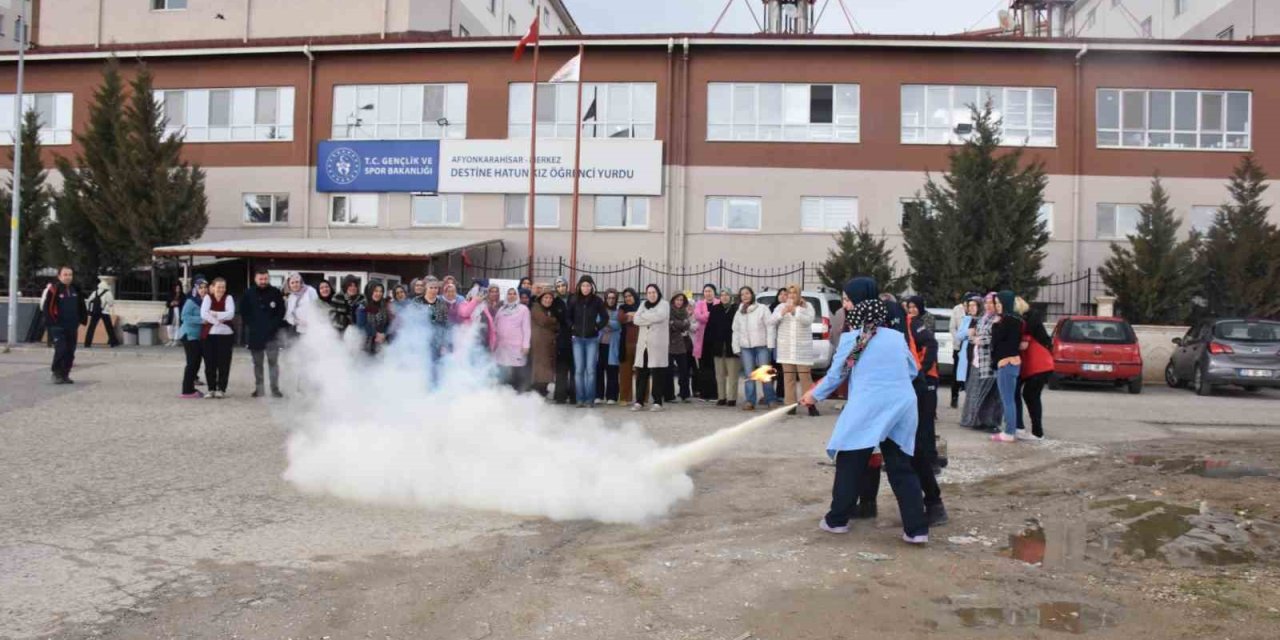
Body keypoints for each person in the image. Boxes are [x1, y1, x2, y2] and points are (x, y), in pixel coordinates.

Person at [801, 277, 929, 545]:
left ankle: (837, 520)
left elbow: (838, 375)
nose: (845, 304)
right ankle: (917, 530)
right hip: (902, 405)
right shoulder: (894, 337)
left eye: (847, 300)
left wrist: (813, 395)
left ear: (860, 305)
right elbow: (912, 369)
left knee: (849, 461)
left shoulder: (853, 340)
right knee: (901, 466)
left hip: (869, 406)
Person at [905, 295, 947, 526]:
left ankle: (930, 506)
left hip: (920, 381)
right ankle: (863, 505)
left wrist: (921, 369)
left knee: (921, 432)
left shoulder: (900, 323)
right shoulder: (870, 327)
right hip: (896, 389)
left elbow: (851, 360)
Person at [772, 284, 818, 416]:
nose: (792, 295)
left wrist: (795, 311)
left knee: (805, 378)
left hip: (802, 349)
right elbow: (771, 321)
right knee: (788, 378)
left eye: (794, 293)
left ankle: (810, 405)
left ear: (799, 294)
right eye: (789, 293)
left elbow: (808, 321)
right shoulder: (781, 306)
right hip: (786, 348)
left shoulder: (807, 306)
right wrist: (783, 313)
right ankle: (790, 405)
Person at [960, 294, 1003, 431]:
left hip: (989, 362)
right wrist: (974, 337)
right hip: (977, 360)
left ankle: (990, 423)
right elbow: (969, 335)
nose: (989, 306)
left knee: (990, 395)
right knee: (975, 392)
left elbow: (997, 339)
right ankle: (975, 420)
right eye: (987, 303)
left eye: (992, 303)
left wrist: (980, 340)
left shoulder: (998, 320)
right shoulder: (983, 319)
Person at [242, 269, 286, 399]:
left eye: (265, 279)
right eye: (260, 279)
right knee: (258, 364)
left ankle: (275, 389)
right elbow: (244, 312)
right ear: (255, 279)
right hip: (255, 334)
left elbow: (281, 311)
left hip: (272, 334)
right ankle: (259, 389)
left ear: (268, 278)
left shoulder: (276, 292)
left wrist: (273, 326)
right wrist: (253, 325)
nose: (263, 281)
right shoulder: (248, 293)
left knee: (273, 363)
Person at [566, 275, 609, 408]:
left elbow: (605, 317)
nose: (586, 288)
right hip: (577, 339)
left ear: (592, 287)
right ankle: (580, 399)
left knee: (590, 370)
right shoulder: (573, 300)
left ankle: (590, 399)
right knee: (579, 370)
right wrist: (572, 327)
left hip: (592, 340)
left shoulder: (597, 301)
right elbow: (567, 317)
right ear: (579, 286)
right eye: (583, 285)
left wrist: (597, 327)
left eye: (588, 286)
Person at [732, 286, 777, 411]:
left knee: (764, 373)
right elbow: (735, 331)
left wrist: (770, 345)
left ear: (752, 295)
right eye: (742, 294)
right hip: (745, 348)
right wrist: (736, 347)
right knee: (749, 375)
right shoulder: (739, 312)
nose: (745, 296)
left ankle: (770, 399)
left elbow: (770, 327)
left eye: (747, 293)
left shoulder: (762, 309)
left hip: (762, 346)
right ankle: (750, 401)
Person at [1016, 298, 1054, 440]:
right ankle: (1034, 430)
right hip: (1036, 366)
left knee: (1030, 395)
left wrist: (1025, 337)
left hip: (1038, 366)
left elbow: (1034, 318)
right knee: (1029, 395)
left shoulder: (1030, 320)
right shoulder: (1030, 321)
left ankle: (1037, 432)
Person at [989, 290, 1025, 443]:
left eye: (999, 303)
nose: (997, 307)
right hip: (1009, 362)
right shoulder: (1014, 319)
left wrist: (995, 326)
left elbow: (1001, 342)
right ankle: (1012, 429)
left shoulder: (1008, 321)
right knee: (1009, 399)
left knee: (1007, 400)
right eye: (996, 303)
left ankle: (1009, 432)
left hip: (1007, 363)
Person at [42, 266, 87, 384]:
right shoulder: (54, 290)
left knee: (70, 351)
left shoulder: (75, 289)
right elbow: (47, 308)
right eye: (65, 275)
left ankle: (65, 374)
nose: (68, 277)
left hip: (72, 326)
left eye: (70, 275)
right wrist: (51, 323)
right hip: (58, 326)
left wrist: (81, 319)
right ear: (59, 276)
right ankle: (56, 373)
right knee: (61, 349)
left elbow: (81, 305)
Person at [631, 283, 670, 412]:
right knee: (641, 373)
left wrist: (644, 317)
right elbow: (636, 319)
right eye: (649, 293)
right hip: (644, 345)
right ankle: (639, 401)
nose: (652, 295)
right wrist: (649, 318)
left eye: (654, 292)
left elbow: (660, 317)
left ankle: (657, 402)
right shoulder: (643, 304)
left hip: (658, 345)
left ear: (658, 293)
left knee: (657, 373)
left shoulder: (664, 304)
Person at [200, 277, 236, 398]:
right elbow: (203, 313)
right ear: (213, 287)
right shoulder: (207, 297)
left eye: (223, 287)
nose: (221, 289)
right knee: (210, 362)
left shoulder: (229, 298)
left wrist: (214, 313)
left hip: (226, 335)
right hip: (209, 335)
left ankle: (221, 388)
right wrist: (217, 321)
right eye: (218, 286)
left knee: (224, 363)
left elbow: (230, 314)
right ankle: (211, 388)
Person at [493, 287, 532, 390]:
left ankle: (518, 394)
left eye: (514, 293)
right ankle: (504, 394)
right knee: (503, 370)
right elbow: (495, 326)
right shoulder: (501, 309)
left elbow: (526, 328)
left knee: (517, 371)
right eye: (509, 293)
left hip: (517, 346)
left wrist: (526, 345)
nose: (511, 295)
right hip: (502, 346)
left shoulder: (523, 309)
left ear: (517, 296)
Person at [707, 289, 739, 406]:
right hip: (718, 347)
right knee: (719, 374)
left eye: (727, 295)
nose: (724, 297)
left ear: (731, 297)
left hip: (732, 347)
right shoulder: (715, 309)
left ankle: (732, 398)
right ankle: (721, 397)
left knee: (733, 375)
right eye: (722, 295)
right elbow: (710, 328)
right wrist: (711, 344)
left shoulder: (736, 309)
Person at [179, 278, 208, 398]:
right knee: (192, 363)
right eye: (200, 288)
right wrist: (201, 320)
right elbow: (184, 317)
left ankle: (191, 388)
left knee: (196, 362)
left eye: (205, 287)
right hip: (189, 335)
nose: (203, 290)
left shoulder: (206, 301)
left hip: (197, 336)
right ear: (196, 289)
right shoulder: (191, 301)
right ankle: (186, 390)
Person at [951, 297, 980, 409]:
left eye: (974, 305)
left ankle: (973, 411)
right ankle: (969, 411)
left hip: (977, 355)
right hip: (966, 354)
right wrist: (969, 333)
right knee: (967, 382)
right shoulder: (967, 319)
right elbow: (959, 334)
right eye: (969, 306)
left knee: (974, 383)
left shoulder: (982, 319)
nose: (971, 308)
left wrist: (973, 334)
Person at [666, 292, 695, 403]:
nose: (679, 302)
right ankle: (669, 395)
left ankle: (685, 394)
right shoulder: (668, 311)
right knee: (669, 371)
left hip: (682, 344)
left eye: (681, 300)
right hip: (669, 344)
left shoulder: (685, 312)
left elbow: (687, 324)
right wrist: (681, 324)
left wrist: (677, 324)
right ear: (673, 300)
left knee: (684, 371)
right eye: (677, 300)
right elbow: (671, 324)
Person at [692, 284, 719, 402]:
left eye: (710, 291)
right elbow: (698, 317)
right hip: (702, 341)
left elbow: (716, 318)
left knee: (714, 368)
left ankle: (714, 394)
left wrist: (706, 316)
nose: (708, 293)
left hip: (715, 340)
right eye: (706, 291)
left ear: (714, 292)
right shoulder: (699, 304)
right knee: (703, 368)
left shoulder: (718, 303)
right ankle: (703, 394)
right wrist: (709, 314)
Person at [530, 291, 559, 397]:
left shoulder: (549, 310)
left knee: (546, 370)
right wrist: (554, 320)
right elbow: (543, 321)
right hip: (539, 344)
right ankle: (536, 393)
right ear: (541, 298)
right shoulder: (536, 307)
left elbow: (556, 326)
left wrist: (553, 323)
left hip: (548, 344)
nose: (548, 300)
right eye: (546, 298)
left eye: (550, 298)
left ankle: (543, 391)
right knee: (540, 370)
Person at [551, 276, 575, 404]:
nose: (561, 288)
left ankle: (574, 396)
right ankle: (560, 396)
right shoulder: (555, 302)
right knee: (561, 369)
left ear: (567, 286)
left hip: (575, 337)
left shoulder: (574, 298)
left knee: (574, 369)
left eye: (563, 285)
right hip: (561, 339)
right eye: (558, 286)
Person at [598, 288, 622, 404]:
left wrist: (606, 322)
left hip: (612, 346)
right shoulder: (600, 311)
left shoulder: (618, 312)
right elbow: (598, 323)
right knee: (598, 369)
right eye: (609, 298)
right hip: (600, 344)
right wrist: (609, 323)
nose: (611, 300)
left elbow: (617, 325)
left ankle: (611, 396)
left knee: (612, 370)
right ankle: (598, 395)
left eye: (613, 298)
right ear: (605, 298)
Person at [618, 288, 640, 406]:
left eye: (630, 296)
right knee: (625, 371)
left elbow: (643, 319)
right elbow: (621, 318)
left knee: (641, 371)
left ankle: (642, 398)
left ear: (634, 296)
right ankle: (625, 398)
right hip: (625, 343)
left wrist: (632, 316)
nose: (627, 298)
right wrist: (634, 316)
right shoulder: (622, 308)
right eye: (625, 296)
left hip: (640, 343)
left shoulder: (641, 306)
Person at [83, 277, 119, 348]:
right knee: (109, 327)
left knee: (91, 327)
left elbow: (89, 300)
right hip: (104, 312)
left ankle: (87, 343)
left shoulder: (95, 292)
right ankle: (113, 342)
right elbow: (111, 303)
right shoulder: (108, 292)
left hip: (95, 311)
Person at [355, 283, 391, 354]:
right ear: (370, 291)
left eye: (381, 291)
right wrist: (377, 334)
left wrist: (384, 334)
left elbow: (388, 323)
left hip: (383, 343)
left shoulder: (384, 305)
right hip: (367, 344)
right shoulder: (363, 306)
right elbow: (361, 325)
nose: (379, 293)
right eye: (376, 291)